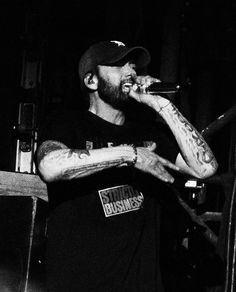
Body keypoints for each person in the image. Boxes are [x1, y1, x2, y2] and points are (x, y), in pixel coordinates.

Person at [36, 40, 218, 291]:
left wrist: (162, 105)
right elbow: (50, 166)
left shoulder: (151, 133)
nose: (131, 71)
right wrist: (130, 155)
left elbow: (205, 168)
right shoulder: (67, 123)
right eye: (118, 65)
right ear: (92, 81)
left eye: (132, 65)